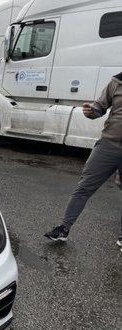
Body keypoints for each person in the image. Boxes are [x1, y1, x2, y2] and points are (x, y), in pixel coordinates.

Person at [45, 72, 122, 249]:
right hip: (108, 145)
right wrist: (91, 111)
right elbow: (100, 107)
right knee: (84, 187)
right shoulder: (117, 82)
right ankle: (63, 229)